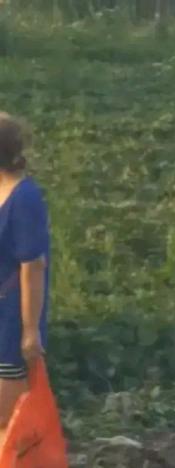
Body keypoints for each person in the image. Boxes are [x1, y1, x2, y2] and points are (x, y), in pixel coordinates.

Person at [0, 113, 49, 445]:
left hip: (11, 317)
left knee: (8, 418)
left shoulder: (24, 198)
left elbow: (33, 267)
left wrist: (30, 331)